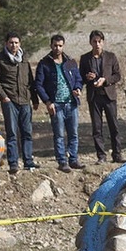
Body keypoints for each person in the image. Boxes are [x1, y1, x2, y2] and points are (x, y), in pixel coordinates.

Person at [0, 32, 40, 173]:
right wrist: (3, 96)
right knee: (12, 133)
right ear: (6, 43)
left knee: (27, 132)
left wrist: (34, 99)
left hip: (25, 101)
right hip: (10, 100)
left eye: (16, 43)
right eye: (11, 42)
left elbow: (30, 80)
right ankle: (13, 163)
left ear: (20, 44)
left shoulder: (24, 59)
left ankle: (28, 161)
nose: (14, 45)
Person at [34, 34, 83, 172]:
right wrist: (47, 101)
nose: (57, 48)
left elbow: (78, 78)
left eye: (60, 45)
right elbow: (38, 84)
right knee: (59, 134)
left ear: (63, 46)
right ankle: (62, 161)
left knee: (73, 133)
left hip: (71, 103)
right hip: (56, 105)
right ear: (51, 45)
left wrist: (78, 88)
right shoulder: (44, 64)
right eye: (55, 45)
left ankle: (73, 159)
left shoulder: (70, 61)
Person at [79, 30, 125, 164]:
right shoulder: (85, 58)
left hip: (109, 96)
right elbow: (80, 77)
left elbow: (117, 75)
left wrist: (105, 80)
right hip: (94, 97)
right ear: (90, 43)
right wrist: (87, 78)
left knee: (114, 126)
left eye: (99, 41)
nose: (97, 44)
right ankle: (101, 156)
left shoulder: (111, 57)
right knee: (97, 128)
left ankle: (117, 154)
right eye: (95, 42)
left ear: (103, 42)